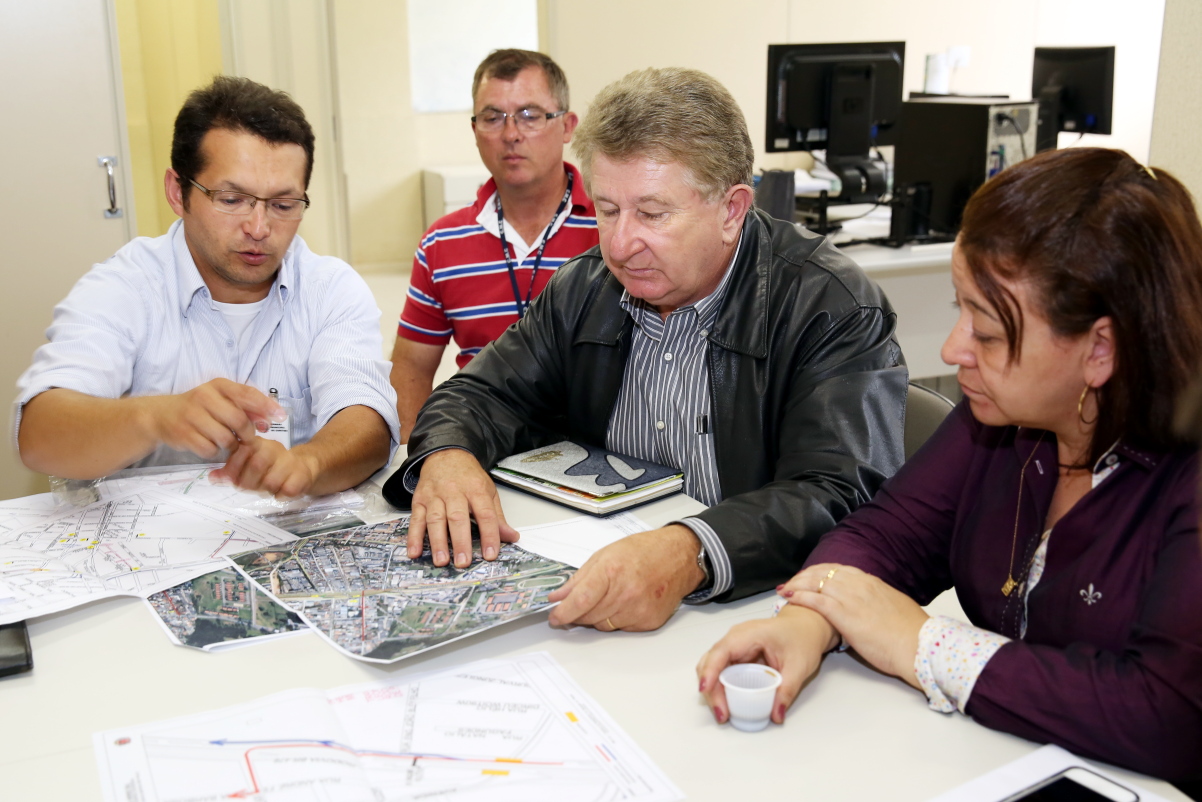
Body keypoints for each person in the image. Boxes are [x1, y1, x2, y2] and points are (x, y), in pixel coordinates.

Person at [698, 148, 1202, 784]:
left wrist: (924, 645)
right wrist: (811, 621)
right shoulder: (1004, 420)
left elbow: (1167, 718)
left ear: (1100, 348)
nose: (952, 348)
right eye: (960, 310)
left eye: (987, 333)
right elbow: (887, 534)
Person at [384, 68, 907, 632]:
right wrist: (448, 455)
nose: (619, 243)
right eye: (606, 209)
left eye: (653, 214)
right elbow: (481, 392)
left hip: (761, 606)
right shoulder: (585, 287)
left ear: (731, 210)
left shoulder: (831, 305)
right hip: (606, 581)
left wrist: (692, 550)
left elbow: (840, 494)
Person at [15, 76, 399, 498]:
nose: (259, 228)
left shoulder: (330, 289)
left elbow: (367, 419)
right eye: (232, 200)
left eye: (283, 205)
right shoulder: (125, 286)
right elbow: (38, 434)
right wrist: (153, 417)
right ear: (178, 193)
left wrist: (310, 463)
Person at [390, 49, 598, 443]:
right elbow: (410, 370)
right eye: (492, 117)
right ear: (474, 130)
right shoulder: (442, 243)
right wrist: (420, 457)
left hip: (596, 448)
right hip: (481, 440)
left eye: (530, 115)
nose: (511, 134)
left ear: (568, 126)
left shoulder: (609, 228)